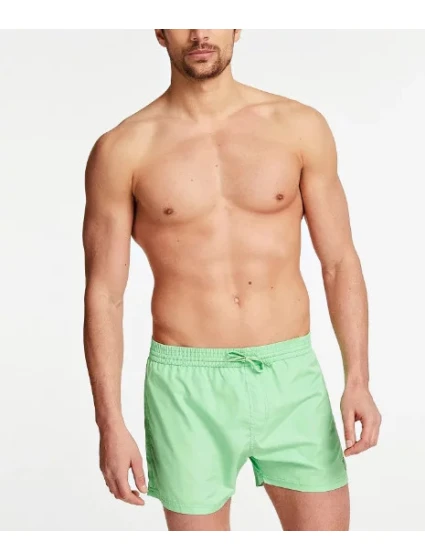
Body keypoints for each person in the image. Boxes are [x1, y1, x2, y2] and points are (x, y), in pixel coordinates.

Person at [82, 29, 381, 531]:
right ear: (160, 31)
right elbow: (104, 296)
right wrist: (109, 424)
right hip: (186, 389)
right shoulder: (123, 149)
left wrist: (358, 380)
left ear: (238, 25)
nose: (201, 33)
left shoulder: (298, 127)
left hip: (290, 378)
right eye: (184, 18)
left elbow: (339, 262)